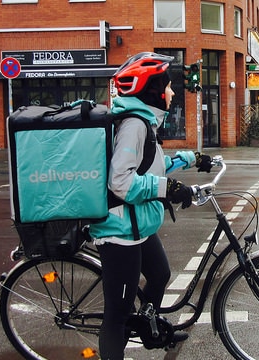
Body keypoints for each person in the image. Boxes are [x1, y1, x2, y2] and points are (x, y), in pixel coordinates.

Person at [88, 52, 212, 360]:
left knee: (160, 275)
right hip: (119, 231)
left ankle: (148, 328)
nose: (171, 92)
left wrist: (191, 159)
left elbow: (150, 168)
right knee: (116, 316)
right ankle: (126, 335)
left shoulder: (144, 122)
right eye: (167, 86)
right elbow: (120, 182)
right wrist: (167, 188)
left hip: (138, 225)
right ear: (151, 90)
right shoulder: (134, 125)